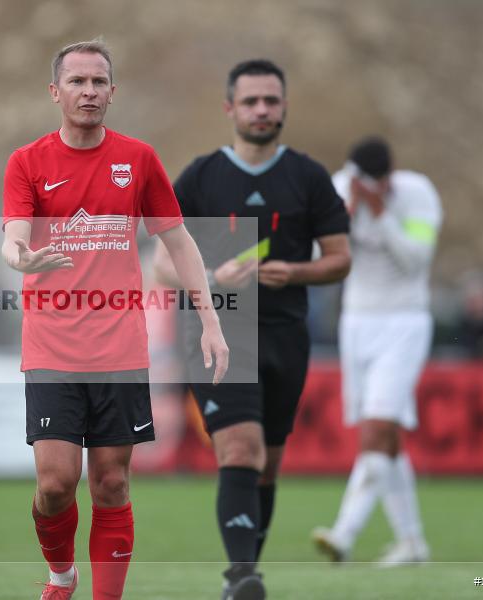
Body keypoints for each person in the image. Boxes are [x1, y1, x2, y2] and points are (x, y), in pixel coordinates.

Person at [1, 39, 229, 600]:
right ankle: (61, 577)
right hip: (52, 349)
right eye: (77, 82)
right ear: (56, 92)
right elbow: (13, 239)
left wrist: (212, 320)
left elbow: (179, 244)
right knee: (56, 486)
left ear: (112, 92)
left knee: (110, 482)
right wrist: (20, 258)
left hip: (121, 352)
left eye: (99, 82)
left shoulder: (139, 159)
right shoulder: (28, 162)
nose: (89, 91)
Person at [154, 59, 351, 599]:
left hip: (287, 335)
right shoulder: (201, 176)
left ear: (283, 107)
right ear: (230, 109)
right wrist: (210, 276)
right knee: (240, 451)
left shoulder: (309, 177)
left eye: (270, 100)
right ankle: (242, 576)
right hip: (218, 331)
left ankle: (243, 578)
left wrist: (299, 271)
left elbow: (340, 259)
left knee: (266, 465)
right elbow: (163, 262)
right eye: (250, 101)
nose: (261, 110)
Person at [312, 136, 442, 565]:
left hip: (405, 321)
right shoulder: (338, 188)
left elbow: (416, 261)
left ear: (389, 177)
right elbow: (316, 256)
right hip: (357, 323)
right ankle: (412, 542)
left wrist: (383, 215)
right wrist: (342, 219)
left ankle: (344, 535)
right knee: (386, 437)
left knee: (376, 426)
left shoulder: (418, 193)